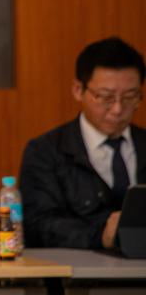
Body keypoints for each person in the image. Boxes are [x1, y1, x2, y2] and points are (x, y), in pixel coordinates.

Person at [20, 36, 144, 249]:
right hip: (77, 268)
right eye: (105, 97)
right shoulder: (46, 151)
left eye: (130, 97)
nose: (117, 109)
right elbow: (38, 226)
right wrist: (101, 235)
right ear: (78, 90)